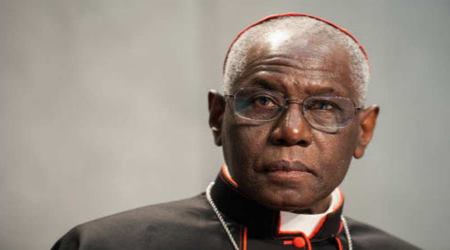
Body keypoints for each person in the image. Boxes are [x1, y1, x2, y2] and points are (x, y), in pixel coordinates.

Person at [52, 13, 420, 250]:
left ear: (364, 131)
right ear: (217, 116)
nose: (291, 132)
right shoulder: (104, 245)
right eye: (262, 101)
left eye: (324, 106)